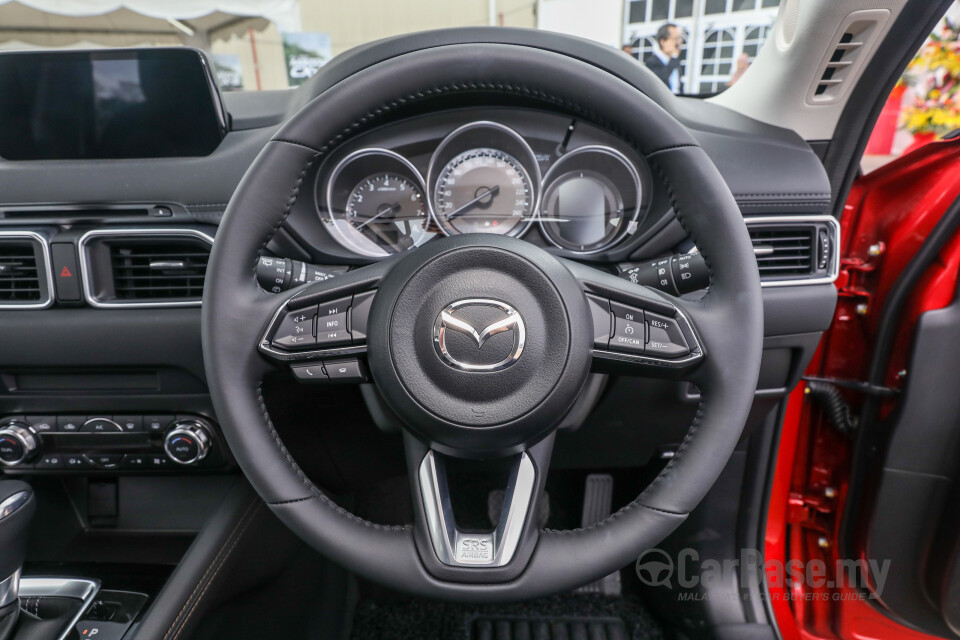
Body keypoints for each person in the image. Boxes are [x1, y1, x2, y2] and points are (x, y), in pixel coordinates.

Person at [645, 23, 684, 94]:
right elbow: (661, 81)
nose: (679, 42)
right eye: (676, 39)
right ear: (662, 42)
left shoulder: (675, 60)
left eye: (679, 38)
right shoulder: (652, 62)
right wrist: (674, 58)